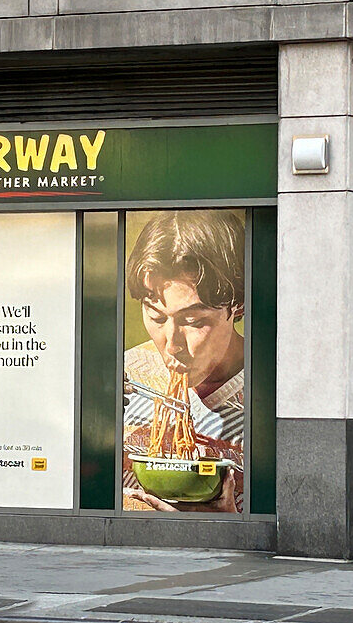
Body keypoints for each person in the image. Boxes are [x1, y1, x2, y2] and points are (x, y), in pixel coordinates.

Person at [122, 209, 245, 512]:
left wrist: (228, 527)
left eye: (193, 320)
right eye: (156, 316)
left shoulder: (278, 393)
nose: (172, 344)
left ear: (238, 305)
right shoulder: (126, 377)